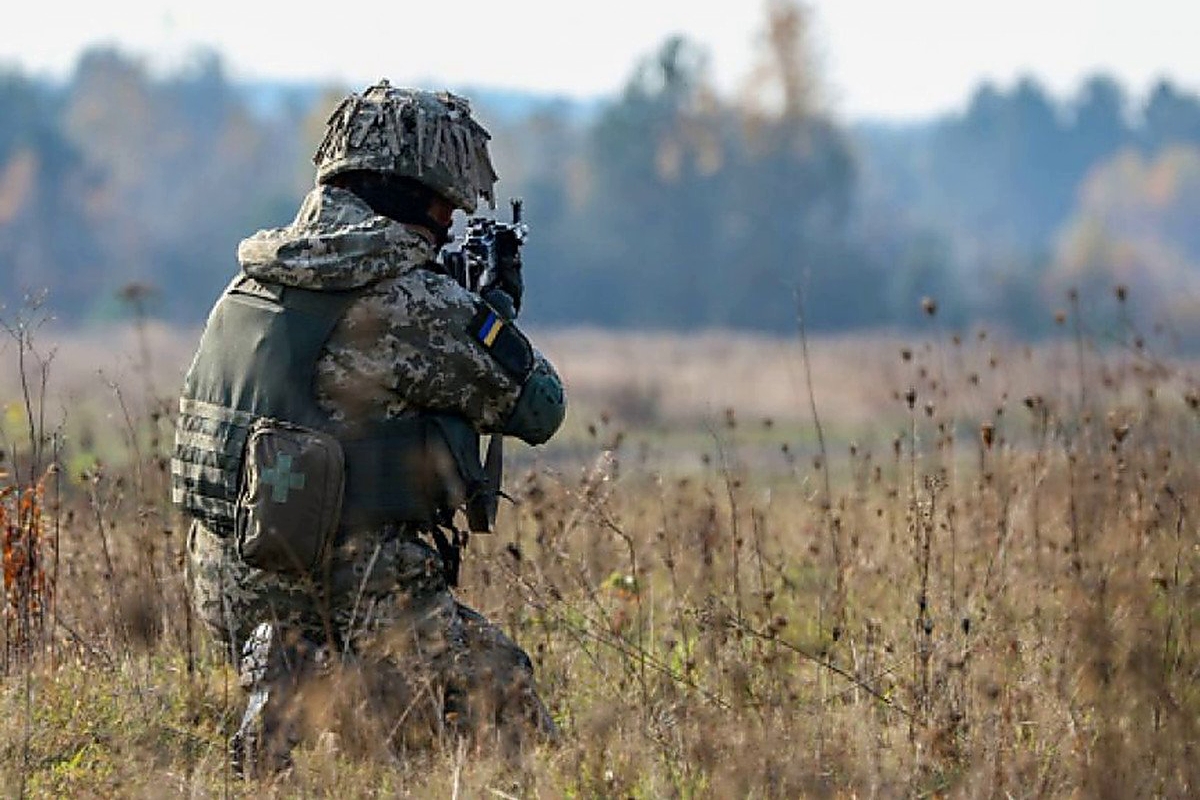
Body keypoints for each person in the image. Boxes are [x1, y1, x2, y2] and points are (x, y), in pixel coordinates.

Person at [171, 80, 566, 774]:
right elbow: (539, 408)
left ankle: (291, 683)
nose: (451, 218)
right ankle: (351, 705)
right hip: (361, 594)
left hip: (228, 595)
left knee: (371, 698)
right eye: (447, 202)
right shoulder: (415, 300)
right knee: (502, 694)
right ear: (413, 192)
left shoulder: (249, 283)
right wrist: (493, 313)